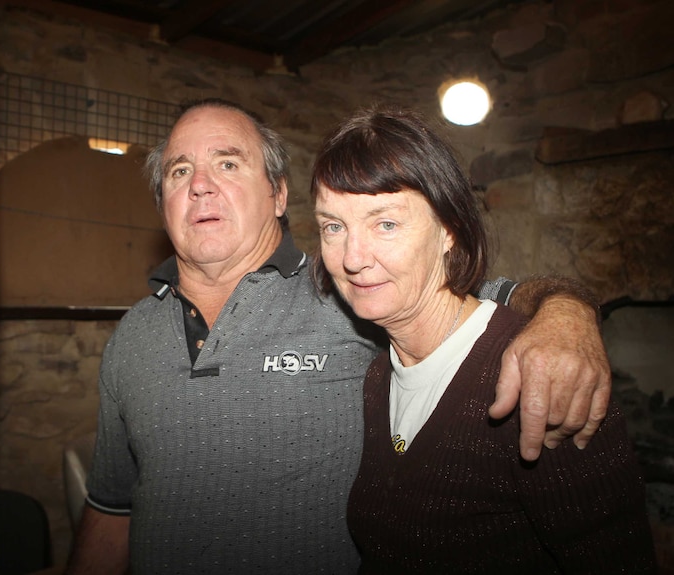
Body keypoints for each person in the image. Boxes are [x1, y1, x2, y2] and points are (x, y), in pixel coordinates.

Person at [66, 98, 613, 575]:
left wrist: (565, 312)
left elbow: (467, 301)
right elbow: (112, 506)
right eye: (179, 172)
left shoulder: (352, 293)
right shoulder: (132, 336)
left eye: (228, 163)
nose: (201, 185)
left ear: (278, 195)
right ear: (162, 200)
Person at [310, 103, 656, 573]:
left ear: (448, 230)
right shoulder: (379, 375)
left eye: (385, 223)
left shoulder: (541, 378)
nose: (352, 257)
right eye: (334, 226)